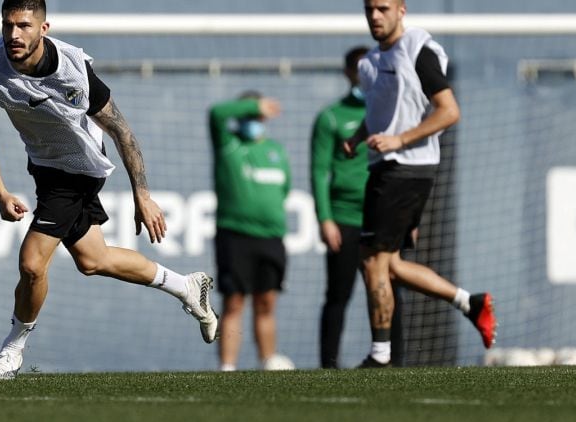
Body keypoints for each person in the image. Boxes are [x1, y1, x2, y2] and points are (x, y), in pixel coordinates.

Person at [0, 0, 218, 380]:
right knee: (93, 259)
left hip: (80, 168)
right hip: (44, 166)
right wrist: (0, 192)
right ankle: (186, 287)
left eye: (23, 25)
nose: (13, 35)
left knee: (32, 263)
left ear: (44, 28)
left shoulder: (74, 70)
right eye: (7, 25)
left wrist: (143, 194)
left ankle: (12, 349)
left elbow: (121, 130)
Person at [344, 0, 496, 368]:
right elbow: (379, 114)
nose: (375, 16)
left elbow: (449, 111)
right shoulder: (368, 64)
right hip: (385, 168)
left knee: (373, 261)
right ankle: (469, 302)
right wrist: (358, 136)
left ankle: (380, 356)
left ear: (401, 9)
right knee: (390, 264)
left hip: (408, 168)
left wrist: (400, 139)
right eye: (369, 9)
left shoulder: (418, 50)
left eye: (383, 8)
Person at [312, 46, 406, 369]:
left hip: (382, 214)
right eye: (362, 70)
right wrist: (325, 218)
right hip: (344, 218)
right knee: (338, 296)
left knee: (388, 287)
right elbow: (319, 171)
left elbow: (403, 164)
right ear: (350, 74)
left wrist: (408, 216)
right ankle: (329, 365)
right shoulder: (331, 117)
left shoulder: (390, 112)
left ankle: (394, 361)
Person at [208, 92, 291, 371]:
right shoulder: (229, 144)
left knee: (266, 301)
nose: (254, 121)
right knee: (234, 301)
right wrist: (254, 104)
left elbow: (285, 189)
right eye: (249, 116)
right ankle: (227, 365)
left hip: (271, 236)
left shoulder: (276, 150)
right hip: (235, 235)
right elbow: (217, 113)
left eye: (258, 117)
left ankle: (268, 360)